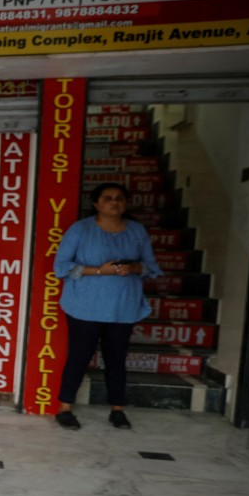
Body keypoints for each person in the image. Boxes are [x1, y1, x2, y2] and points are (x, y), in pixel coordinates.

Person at [52, 182, 162, 430]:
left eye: (119, 198)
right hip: (85, 306)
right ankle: (65, 408)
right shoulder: (81, 230)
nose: (114, 202)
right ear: (96, 204)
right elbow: (61, 267)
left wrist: (134, 268)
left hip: (122, 307)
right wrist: (101, 270)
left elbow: (151, 267)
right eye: (108, 198)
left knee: (116, 359)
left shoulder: (136, 231)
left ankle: (117, 409)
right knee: (79, 357)